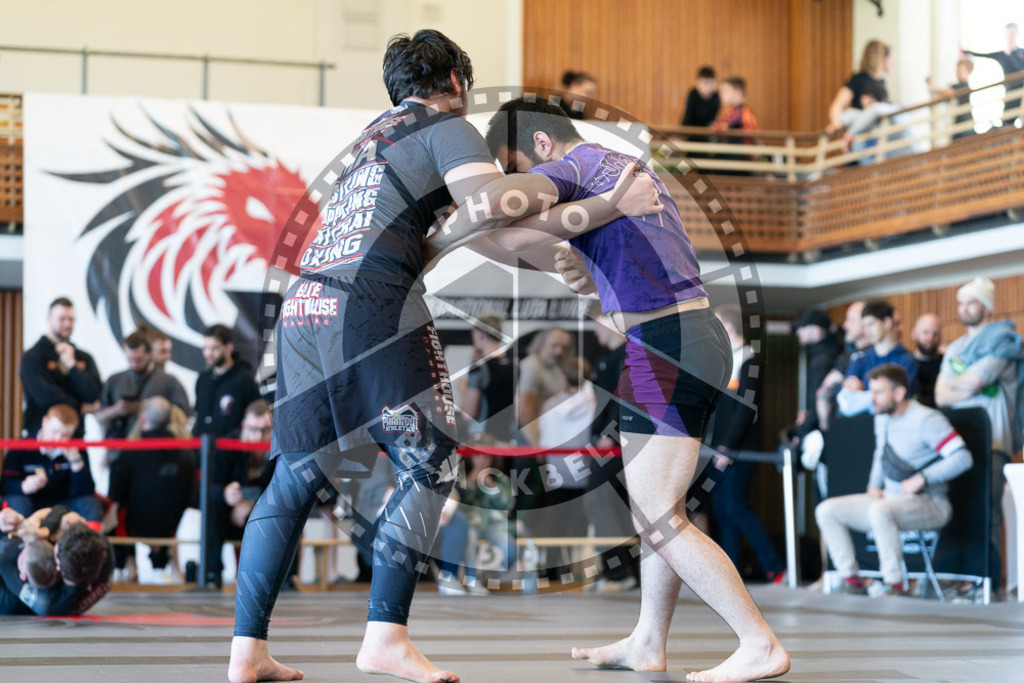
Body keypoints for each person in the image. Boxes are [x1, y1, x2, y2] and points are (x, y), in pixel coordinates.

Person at [227, 29, 660, 683]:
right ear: (456, 84)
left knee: (295, 473)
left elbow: (480, 234)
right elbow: (492, 206)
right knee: (430, 456)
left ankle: (246, 651)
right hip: (371, 301)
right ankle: (385, 634)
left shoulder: (371, 142)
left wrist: (559, 260)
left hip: (304, 306)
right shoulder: (447, 125)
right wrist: (602, 207)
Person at [462, 96, 789, 682]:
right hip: (682, 334)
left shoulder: (574, 167)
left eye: (521, 169)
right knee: (657, 509)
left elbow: (506, 233)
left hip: (668, 342)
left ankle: (757, 641)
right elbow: (612, 262)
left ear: (541, 146)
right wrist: (590, 272)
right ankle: (647, 640)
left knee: (659, 516)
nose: (527, 184)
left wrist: (452, 225)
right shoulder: (613, 167)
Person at [816, 364, 972, 596]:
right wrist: (873, 485)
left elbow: (963, 457)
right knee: (827, 510)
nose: (873, 398)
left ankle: (896, 584)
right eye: (872, 391)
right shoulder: (882, 417)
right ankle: (851, 580)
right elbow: (881, 454)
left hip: (930, 502)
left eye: (879, 392)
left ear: (899, 393)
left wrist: (922, 478)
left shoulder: (926, 419)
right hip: (888, 499)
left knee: (880, 511)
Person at [935, 277, 1023, 596]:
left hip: (994, 441)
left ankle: (987, 580)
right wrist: (963, 384)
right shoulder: (956, 347)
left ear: (985, 307)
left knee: (989, 512)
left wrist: (960, 384)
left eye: (971, 302)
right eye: (961, 303)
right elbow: (941, 395)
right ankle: (963, 575)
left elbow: (974, 381)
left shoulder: (1004, 341)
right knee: (963, 510)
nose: (964, 309)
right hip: (961, 441)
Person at [710, 305, 785, 584]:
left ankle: (774, 565)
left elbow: (745, 409)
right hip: (718, 449)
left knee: (735, 507)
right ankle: (732, 572)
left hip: (739, 450)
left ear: (728, 328)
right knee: (723, 511)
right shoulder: (725, 361)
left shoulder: (750, 362)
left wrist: (729, 446)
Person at [108, 397, 196, 584]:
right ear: (171, 420)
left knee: (113, 509)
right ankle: (158, 564)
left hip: (134, 524)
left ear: (141, 420)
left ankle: (123, 564)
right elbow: (189, 494)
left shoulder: (130, 452)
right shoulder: (186, 453)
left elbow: (115, 494)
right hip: (170, 525)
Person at [584, 314, 639, 592]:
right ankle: (625, 573)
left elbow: (626, 397)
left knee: (599, 502)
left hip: (614, 445)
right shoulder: (612, 357)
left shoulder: (625, 356)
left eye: (597, 322)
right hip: (607, 442)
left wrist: (610, 434)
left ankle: (620, 574)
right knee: (615, 508)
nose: (594, 331)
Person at [538, 356, 596, 569]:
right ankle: (580, 568)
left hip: (557, 469)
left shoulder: (550, 405)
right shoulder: (594, 403)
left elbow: (544, 441)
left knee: (555, 521)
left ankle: (552, 567)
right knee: (582, 522)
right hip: (586, 470)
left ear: (563, 377)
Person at [0, 506, 113, 616]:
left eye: (55, 549)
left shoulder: (49, 603)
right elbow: (62, 510)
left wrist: (20, 536)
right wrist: (44, 531)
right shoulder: (100, 546)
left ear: (59, 568)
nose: (53, 542)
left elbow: (4, 563)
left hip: (9, 594)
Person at [1, 404, 102, 522]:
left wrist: (76, 463)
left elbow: (87, 492)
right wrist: (23, 486)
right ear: (44, 422)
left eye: (65, 435)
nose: (58, 439)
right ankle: (18, 540)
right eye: (54, 432)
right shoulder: (22, 446)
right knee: (17, 502)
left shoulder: (77, 450)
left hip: (63, 504)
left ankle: (88, 540)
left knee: (90, 504)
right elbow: (5, 485)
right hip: (30, 502)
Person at [19, 297, 102, 438]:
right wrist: (80, 407)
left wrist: (73, 367)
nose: (67, 324)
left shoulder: (83, 357)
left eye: (71, 319)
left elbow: (95, 394)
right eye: (62, 319)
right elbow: (45, 396)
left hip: (76, 435)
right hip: (40, 436)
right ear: (49, 319)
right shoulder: (32, 356)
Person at [514, 328, 572, 513]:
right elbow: (523, 412)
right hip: (530, 447)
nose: (559, 351)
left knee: (543, 505)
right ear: (542, 344)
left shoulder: (554, 368)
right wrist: (539, 447)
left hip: (545, 448)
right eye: (554, 345)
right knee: (529, 505)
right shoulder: (532, 366)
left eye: (563, 347)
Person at [839, 300, 918, 416]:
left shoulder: (907, 360)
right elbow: (845, 403)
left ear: (887, 323)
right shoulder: (860, 359)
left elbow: (899, 402)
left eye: (871, 324)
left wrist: (862, 395)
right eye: (864, 326)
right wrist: (881, 394)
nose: (867, 331)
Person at [194, 324, 260, 438]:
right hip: (203, 452)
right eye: (205, 348)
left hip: (233, 452)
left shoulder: (244, 379)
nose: (208, 353)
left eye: (214, 348)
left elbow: (254, 419)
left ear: (229, 347)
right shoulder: (202, 379)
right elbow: (198, 417)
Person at [788, 309, 842, 443]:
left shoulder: (822, 360)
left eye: (803, 328)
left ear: (816, 331)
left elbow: (817, 399)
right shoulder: (832, 352)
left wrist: (800, 433)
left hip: (823, 433)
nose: (798, 332)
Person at [461, 313, 515, 442]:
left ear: (479, 335)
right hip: (508, 437)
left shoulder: (479, 368)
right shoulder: (514, 365)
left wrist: (463, 387)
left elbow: (469, 414)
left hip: (483, 439)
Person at [840, 83, 927, 163]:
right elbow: (849, 115)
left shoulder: (894, 108)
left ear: (884, 101)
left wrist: (850, 133)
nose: (867, 111)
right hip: (900, 160)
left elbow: (875, 109)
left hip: (917, 156)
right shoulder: (872, 117)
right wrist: (837, 124)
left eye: (869, 104)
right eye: (864, 107)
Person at [826, 40, 893, 134]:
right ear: (882, 58)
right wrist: (836, 124)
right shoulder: (859, 80)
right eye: (890, 58)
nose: (892, 62)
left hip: (877, 133)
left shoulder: (882, 82)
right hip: (861, 133)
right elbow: (837, 105)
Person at [964, 23, 1024, 126]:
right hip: (1010, 92)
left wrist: (1012, 53)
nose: (1010, 36)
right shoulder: (1001, 55)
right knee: (1007, 121)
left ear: (1017, 33)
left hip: (1022, 90)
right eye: (1009, 34)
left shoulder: (1021, 53)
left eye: (1012, 33)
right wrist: (965, 51)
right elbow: (983, 54)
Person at [710, 77, 758, 174]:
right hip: (731, 160)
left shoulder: (743, 113)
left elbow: (719, 128)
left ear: (738, 93)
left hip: (739, 162)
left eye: (725, 91)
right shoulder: (730, 112)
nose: (721, 95)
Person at [926, 58, 975, 140]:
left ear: (968, 72)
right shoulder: (958, 86)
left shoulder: (964, 86)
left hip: (965, 123)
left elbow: (949, 92)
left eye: (960, 71)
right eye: (957, 70)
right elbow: (945, 94)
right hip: (958, 122)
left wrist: (932, 87)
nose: (957, 73)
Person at [911, 313, 943, 408]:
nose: (930, 338)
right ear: (914, 334)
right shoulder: (907, 364)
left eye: (935, 334)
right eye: (925, 332)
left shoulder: (946, 363)